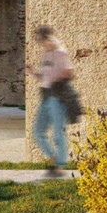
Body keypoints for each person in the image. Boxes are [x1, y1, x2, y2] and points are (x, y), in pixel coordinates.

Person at [29, 25, 75, 175]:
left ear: (48, 37)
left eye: (41, 41)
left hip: (57, 97)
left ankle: (60, 166)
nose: (40, 44)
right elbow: (43, 78)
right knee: (38, 132)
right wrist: (31, 73)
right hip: (46, 96)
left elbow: (70, 73)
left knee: (57, 134)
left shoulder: (61, 53)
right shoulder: (46, 55)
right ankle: (55, 159)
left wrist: (61, 77)